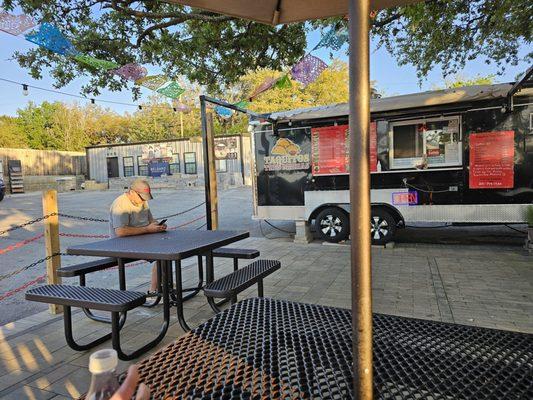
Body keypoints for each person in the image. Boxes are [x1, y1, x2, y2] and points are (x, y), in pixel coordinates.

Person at [109, 179, 166, 293]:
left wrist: (158, 225)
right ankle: (154, 291)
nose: (143, 201)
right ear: (132, 192)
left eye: (146, 197)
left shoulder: (142, 200)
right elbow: (120, 232)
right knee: (163, 255)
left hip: (142, 239)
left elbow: (151, 220)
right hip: (123, 244)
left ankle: (164, 283)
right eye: (141, 197)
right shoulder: (121, 204)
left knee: (168, 247)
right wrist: (147, 229)